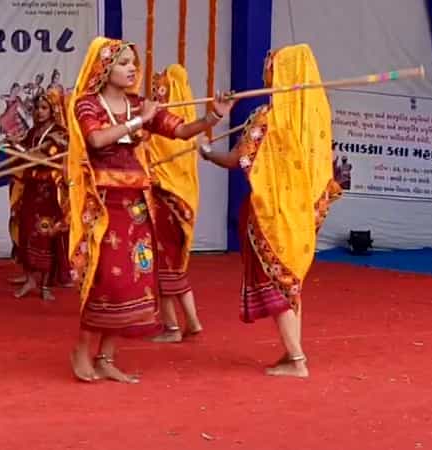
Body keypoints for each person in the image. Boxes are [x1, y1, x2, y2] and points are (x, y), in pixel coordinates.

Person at [67, 37, 234, 383]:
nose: (132, 69)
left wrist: (213, 116)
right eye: (124, 62)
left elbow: (181, 130)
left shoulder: (137, 104)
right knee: (104, 280)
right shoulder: (87, 105)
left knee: (131, 282)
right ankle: (81, 351)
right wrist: (137, 122)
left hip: (137, 207)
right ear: (104, 67)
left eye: (133, 62)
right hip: (103, 206)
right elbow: (96, 140)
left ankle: (106, 357)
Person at [199, 44, 342, 377]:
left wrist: (206, 152)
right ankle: (293, 353)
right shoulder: (314, 118)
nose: (265, 64)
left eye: (271, 61)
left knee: (278, 283)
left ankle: (296, 360)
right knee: (291, 282)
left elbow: (238, 159)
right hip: (301, 218)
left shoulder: (268, 118)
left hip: (271, 215)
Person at [147, 64, 204, 343]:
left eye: (161, 87)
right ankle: (192, 322)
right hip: (181, 204)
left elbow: (154, 172)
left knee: (163, 267)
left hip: (165, 204)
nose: (157, 92)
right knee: (176, 266)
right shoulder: (184, 123)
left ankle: (171, 327)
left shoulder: (165, 128)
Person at [12, 90, 69, 301]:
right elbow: (24, 154)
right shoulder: (33, 132)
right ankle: (29, 279)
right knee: (26, 231)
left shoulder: (60, 133)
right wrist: (14, 145)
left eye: (44, 108)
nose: (39, 112)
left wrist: (30, 153)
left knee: (46, 234)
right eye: (37, 108)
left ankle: (45, 285)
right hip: (31, 188)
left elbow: (50, 155)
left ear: (53, 110)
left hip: (48, 191)